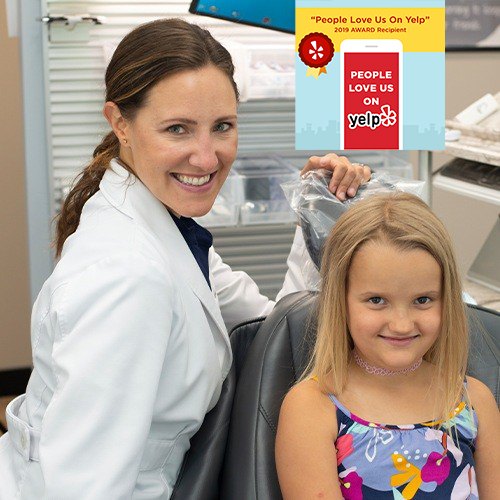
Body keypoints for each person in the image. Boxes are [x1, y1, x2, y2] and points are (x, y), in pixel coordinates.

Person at [0, 18, 370, 499]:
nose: (206, 157)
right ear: (120, 123)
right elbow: (83, 486)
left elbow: (272, 327)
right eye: (177, 129)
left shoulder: (163, 227)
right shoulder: (130, 275)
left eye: (222, 127)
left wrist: (320, 215)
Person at [276, 193, 500, 499]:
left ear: (446, 300)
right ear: (340, 301)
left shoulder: (475, 401)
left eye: (423, 300)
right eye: (376, 300)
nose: (402, 324)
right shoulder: (312, 407)